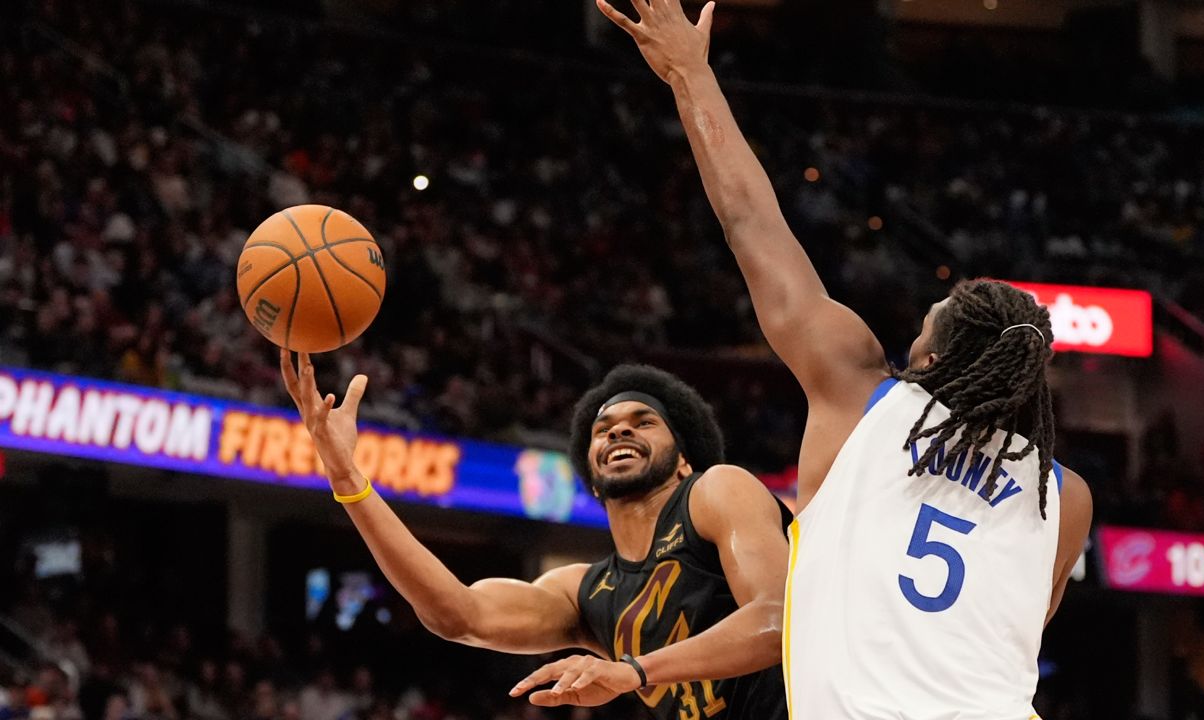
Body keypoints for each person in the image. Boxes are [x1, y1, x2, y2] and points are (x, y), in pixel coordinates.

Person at [597, 1, 1094, 717]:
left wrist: (689, 75)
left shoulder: (860, 397)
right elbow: (1013, 629)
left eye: (922, 328)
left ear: (928, 358)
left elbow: (751, 226)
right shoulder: (1064, 495)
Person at [281, 353, 790, 718]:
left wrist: (633, 671)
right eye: (603, 427)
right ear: (591, 475)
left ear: (683, 460)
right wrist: (348, 480)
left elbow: (775, 620)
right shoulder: (586, 593)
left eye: (644, 422)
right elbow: (457, 615)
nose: (617, 431)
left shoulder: (718, 489)